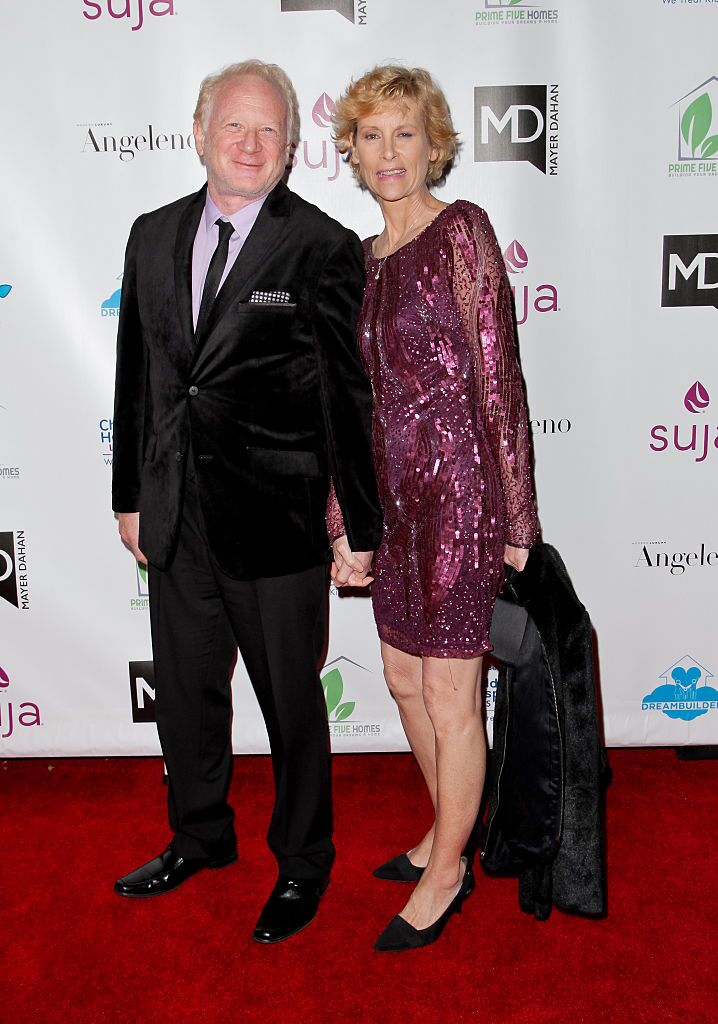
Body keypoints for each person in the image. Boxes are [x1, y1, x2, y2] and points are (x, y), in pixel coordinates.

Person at [111, 60, 382, 944]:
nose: (250, 143)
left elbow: (349, 400)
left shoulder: (323, 246)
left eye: (269, 131)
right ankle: (199, 835)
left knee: (292, 707)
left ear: (293, 148)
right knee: (188, 695)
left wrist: (360, 526)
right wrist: (130, 498)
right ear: (199, 134)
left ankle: (304, 863)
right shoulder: (150, 237)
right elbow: (140, 379)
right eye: (234, 126)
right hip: (177, 515)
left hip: (279, 525)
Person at [329, 65, 539, 952]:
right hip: (393, 504)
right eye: (371, 135)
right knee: (407, 681)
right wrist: (345, 520)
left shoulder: (462, 232)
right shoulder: (359, 260)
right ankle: (441, 828)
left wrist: (518, 517)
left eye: (404, 134)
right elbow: (346, 403)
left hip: (458, 497)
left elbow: (499, 380)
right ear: (351, 149)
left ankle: (450, 870)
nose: (388, 153)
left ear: (433, 143)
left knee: (454, 698)